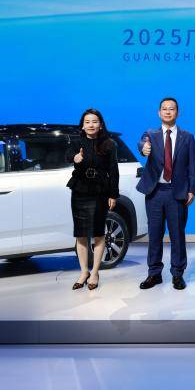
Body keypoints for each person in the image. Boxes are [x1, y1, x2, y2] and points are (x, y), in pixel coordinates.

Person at [135, 97, 195, 290]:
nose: (168, 112)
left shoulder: (188, 137)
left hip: (176, 193)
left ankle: (177, 274)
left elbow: (193, 166)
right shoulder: (150, 134)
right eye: (164, 109)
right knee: (155, 235)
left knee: (177, 235)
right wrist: (144, 149)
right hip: (155, 192)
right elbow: (142, 144)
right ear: (159, 113)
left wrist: (192, 190)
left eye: (171, 109)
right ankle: (154, 274)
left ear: (177, 112)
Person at [67, 109, 119, 291]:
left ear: (101, 125)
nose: (91, 125)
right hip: (80, 190)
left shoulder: (109, 144)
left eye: (95, 121)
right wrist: (75, 158)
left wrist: (113, 194)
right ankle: (83, 272)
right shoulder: (76, 142)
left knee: (98, 233)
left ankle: (95, 272)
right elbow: (68, 156)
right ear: (82, 125)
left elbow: (113, 171)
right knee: (80, 234)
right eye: (87, 121)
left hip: (100, 191)